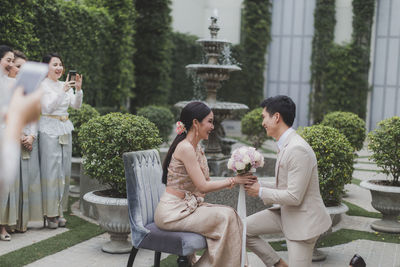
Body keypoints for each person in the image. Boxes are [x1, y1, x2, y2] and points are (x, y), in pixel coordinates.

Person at [154, 101, 256, 267]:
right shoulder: (185, 148)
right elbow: (202, 186)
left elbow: (204, 184)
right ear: (195, 123)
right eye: (209, 121)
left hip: (186, 207)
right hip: (171, 213)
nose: (213, 127)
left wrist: (236, 176)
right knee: (228, 216)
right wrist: (233, 181)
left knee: (232, 215)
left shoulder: (197, 148)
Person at [244, 95, 332, 267]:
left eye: (264, 117)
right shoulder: (286, 144)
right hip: (285, 213)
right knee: (242, 228)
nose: (262, 123)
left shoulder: (297, 148)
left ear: (276, 117)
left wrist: (260, 191)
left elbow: (294, 196)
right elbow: (285, 187)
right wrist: (259, 184)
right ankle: (278, 264)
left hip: (303, 221)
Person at [39, 53, 83, 229]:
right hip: (49, 128)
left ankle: (59, 212)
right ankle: (48, 214)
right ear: (46, 68)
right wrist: (62, 90)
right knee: (51, 171)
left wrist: (77, 89)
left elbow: (76, 106)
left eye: (61, 64)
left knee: (63, 170)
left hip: (65, 128)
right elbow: (47, 107)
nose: (59, 68)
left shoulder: (65, 85)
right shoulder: (42, 85)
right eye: (55, 64)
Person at [8, 51, 43, 232]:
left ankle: (22, 222)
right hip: (11, 138)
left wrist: (31, 136)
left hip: (27, 140)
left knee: (25, 183)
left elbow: (34, 117)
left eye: (24, 67)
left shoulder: (30, 89)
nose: (20, 70)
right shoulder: (7, 86)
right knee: (12, 184)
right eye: (18, 66)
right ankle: (9, 223)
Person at [0, 45, 17, 241]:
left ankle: (2, 226)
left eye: (13, 61)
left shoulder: (11, 83)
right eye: (8, 60)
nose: (11, 64)